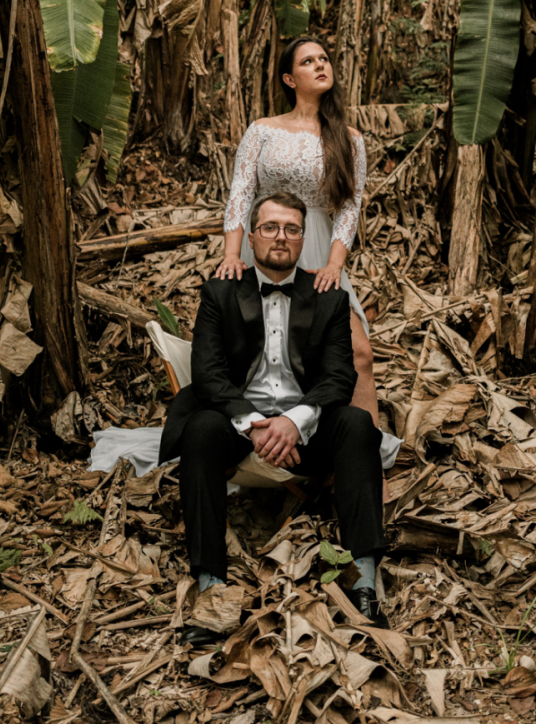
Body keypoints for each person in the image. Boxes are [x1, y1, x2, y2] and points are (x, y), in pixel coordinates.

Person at [161, 192, 387, 645]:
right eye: (269, 227)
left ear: (304, 238)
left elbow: (339, 377)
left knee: (359, 425)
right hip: (239, 428)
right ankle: (211, 587)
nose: (280, 237)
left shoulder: (328, 295)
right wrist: (253, 422)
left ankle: (363, 581)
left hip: (305, 431)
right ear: (252, 235)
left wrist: (294, 421)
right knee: (202, 429)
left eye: (291, 229)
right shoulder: (220, 291)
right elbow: (208, 375)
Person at [217, 36, 379, 427]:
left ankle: (365, 457)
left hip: (320, 249)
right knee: (266, 349)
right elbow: (240, 194)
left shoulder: (349, 138)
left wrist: (334, 266)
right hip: (269, 243)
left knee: (359, 353)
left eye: (324, 58)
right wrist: (231, 255)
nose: (321, 65)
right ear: (290, 79)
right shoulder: (262, 130)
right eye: (309, 62)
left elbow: (349, 206)